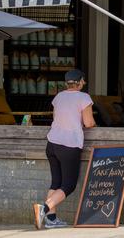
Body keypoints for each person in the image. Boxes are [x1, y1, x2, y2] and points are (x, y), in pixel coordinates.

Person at [33, 69, 96, 229]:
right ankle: (44, 208)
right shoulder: (84, 97)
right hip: (69, 145)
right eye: (84, 81)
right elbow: (88, 123)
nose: (84, 83)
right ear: (80, 81)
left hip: (52, 144)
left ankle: (51, 219)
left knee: (56, 182)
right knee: (69, 185)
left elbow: (57, 118)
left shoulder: (59, 97)